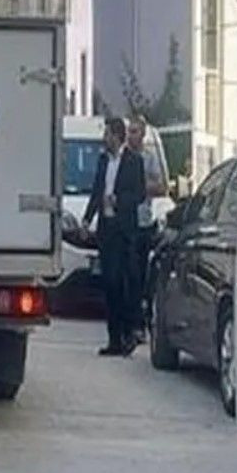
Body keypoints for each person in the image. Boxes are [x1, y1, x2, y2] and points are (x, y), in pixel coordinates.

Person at [82, 117, 146, 357]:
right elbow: (97, 191)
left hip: (124, 231)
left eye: (107, 134)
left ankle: (129, 332)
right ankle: (114, 339)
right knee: (109, 283)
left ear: (117, 137)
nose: (104, 138)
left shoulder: (133, 162)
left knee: (123, 283)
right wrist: (87, 219)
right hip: (106, 229)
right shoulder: (103, 161)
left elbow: (139, 194)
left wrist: (119, 200)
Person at [127, 115, 168, 344]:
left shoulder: (149, 158)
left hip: (143, 223)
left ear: (143, 134)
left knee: (140, 276)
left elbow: (161, 187)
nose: (131, 136)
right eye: (129, 131)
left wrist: (140, 186)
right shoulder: (123, 157)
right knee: (126, 276)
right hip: (124, 223)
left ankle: (139, 323)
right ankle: (128, 323)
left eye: (135, 131)